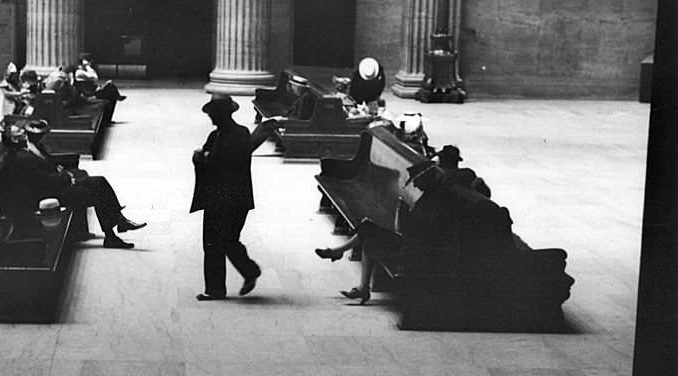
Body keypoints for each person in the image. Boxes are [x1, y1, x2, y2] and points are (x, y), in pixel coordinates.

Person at [315, 161, 511, 303]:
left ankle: (353, 273)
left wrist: (401, 212)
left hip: (419, 251)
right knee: (368, 230)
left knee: (369, 232)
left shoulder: (442, 206)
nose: (415, 186)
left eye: (416, 182)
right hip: (417, 245)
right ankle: (359, 282)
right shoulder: (441, 201)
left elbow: (413, 232)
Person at [191, 94, 278, 301]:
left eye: (213, 114)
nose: (210, 117)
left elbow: (220, 165)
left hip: (225, 198)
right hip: (233, 198)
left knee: (214, 242)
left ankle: (216, 289)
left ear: (222, 114)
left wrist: (200, 159)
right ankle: (248, 271)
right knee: (228, 240)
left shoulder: (233, 136)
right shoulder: (226, 134)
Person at [3, 122, 145, 249]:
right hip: (52, 193)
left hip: (57, 185)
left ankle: (119, 222)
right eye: (19, 132)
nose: (23, 132)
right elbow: (43, 182)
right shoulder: (22, 158)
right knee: (96, 193)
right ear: (14, 139)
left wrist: (60, 170)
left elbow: (47, 166)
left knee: (100, 181)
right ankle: (112, 234)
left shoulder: (31, 148)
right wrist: (67, 177)